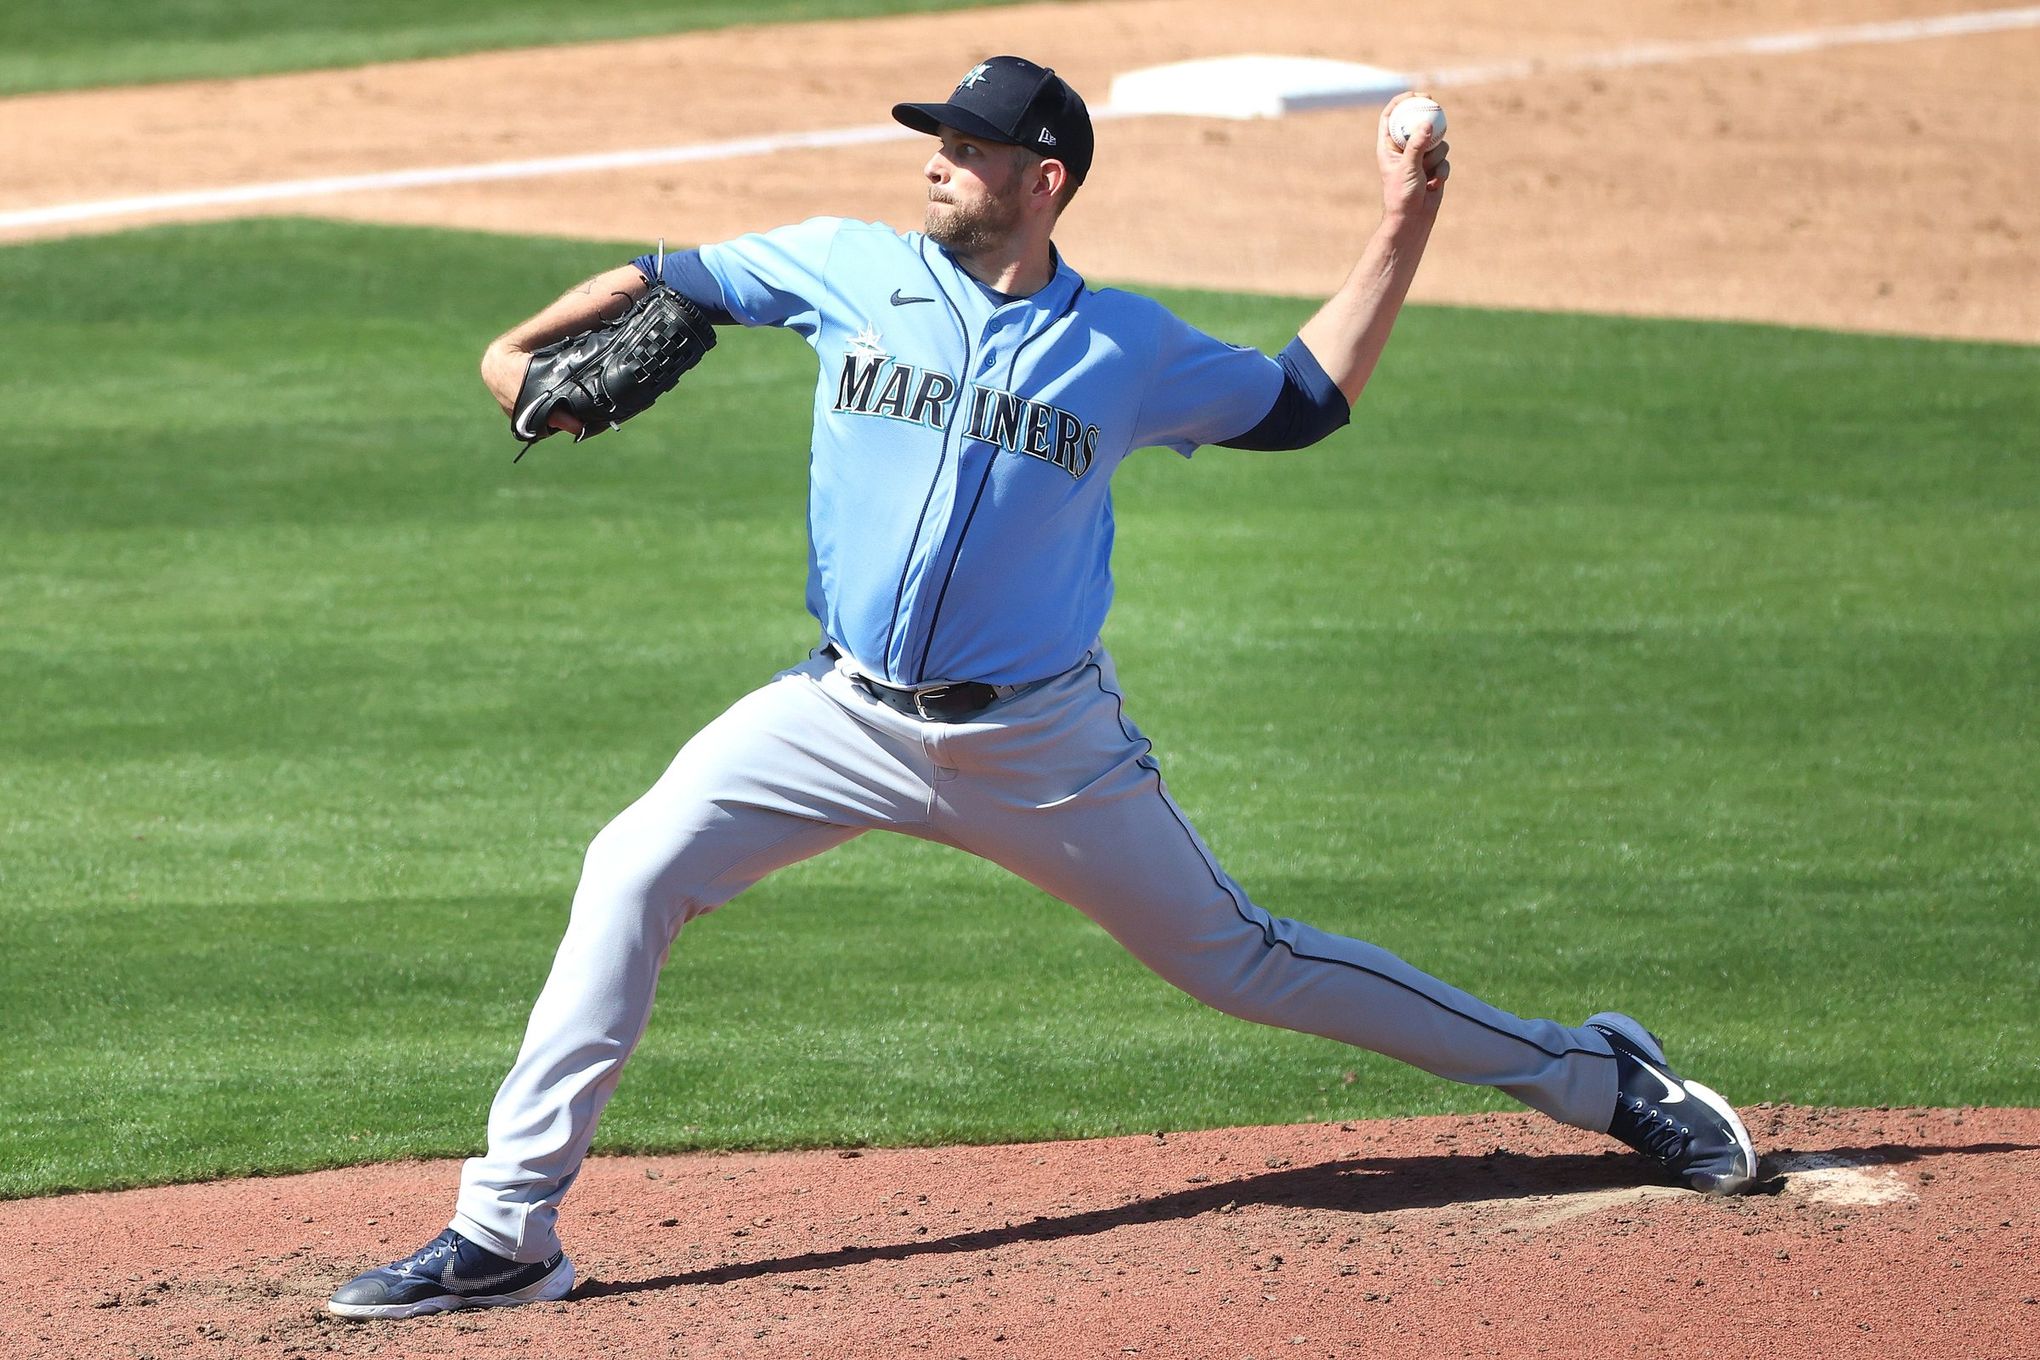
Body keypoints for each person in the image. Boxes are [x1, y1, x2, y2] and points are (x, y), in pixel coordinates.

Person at [327, 55, 1756, 1321]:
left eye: (965, 142)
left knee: (1241, 962)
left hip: (1038, 740)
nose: (935, 157)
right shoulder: (845, 264)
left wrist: (1405, 218)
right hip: (836, 714)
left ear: (1042, 177)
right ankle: (507, 1234)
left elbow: (1305, 402)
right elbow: (668, 271)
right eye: (935, 137)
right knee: (632, 865)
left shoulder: (1122, 348)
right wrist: (514, 351)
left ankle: (1602, 1078)